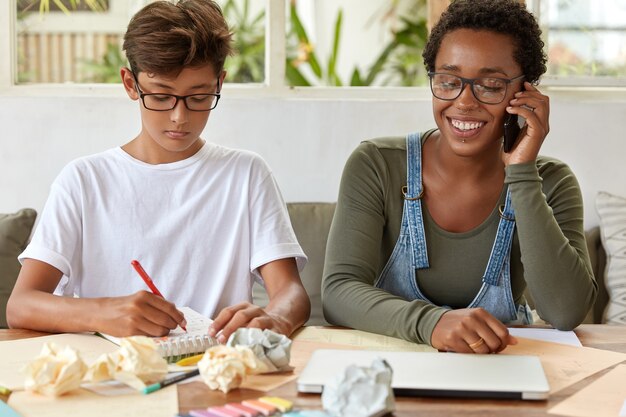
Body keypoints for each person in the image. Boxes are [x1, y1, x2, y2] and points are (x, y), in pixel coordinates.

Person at [7, 0, 310, 343]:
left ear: (220, 83)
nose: (179, 117)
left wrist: (274, 318)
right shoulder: (84, 180)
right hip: (113, 375)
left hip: (212, 370)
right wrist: (104, 313)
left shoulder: (246, 174)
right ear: (130, 84)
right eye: (162, 96)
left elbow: (291, 294)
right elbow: (21, 304)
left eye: (198, 96)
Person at [322, 0, 597, 354]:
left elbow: (565, 312)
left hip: (503, 367)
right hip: (391, 369)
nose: (464, 102)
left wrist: (523, 174)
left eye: (491, 85)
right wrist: (432, 324)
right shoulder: (376, 165)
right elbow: (339, 291)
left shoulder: (552, 182)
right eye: (449, 81)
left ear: (525, 92)